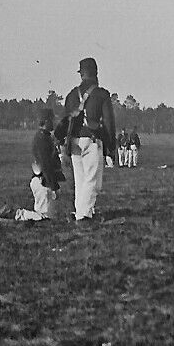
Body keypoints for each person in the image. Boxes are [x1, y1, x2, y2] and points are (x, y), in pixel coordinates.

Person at [58, 57, 116, 222]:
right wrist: (111, 145)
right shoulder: (101, 94)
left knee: (81, 180)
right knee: (93, 182)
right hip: (91, 141)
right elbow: (109, 123)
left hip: (74, 142)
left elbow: (65, 122)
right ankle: (83, 216)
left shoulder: (71, 96)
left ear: (81, 74)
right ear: (96, 73)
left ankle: (82, 212)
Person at [0, 108, 66, 222]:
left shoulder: (43, 137)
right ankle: (17, 214)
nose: (54, 122)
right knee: (45, 218)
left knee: (51, 216)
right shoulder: (42, 140)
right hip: (44, 183)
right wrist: (54, 186)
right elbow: (46, 165)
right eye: (52, 120)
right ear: (46, 122)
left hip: (43, 182)